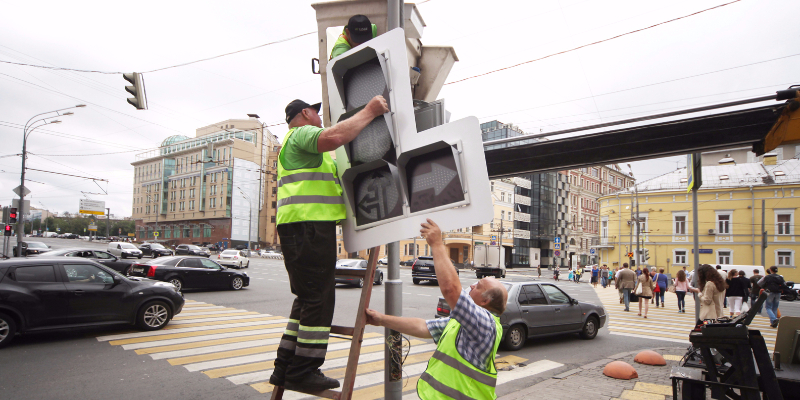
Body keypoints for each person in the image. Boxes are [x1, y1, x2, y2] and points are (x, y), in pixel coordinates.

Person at [269, 96, 390, 391]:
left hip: (302, 228)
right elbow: (335, 136)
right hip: (308, 228)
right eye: (318, 114)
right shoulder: (302, 135)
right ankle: (304, 370)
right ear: (306, 114)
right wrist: (370, 111)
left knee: (306, 299)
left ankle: (285, 366)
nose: (321, 119)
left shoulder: (302, 149)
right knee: (319, 300)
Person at [365, 219, 508, 399]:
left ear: (485, 301)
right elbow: (424, 327)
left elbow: (451, 290)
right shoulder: (463, 324)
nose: (471, 286)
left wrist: (437, 243)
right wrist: (381, 320)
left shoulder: (485, 324)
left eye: (478, 286)